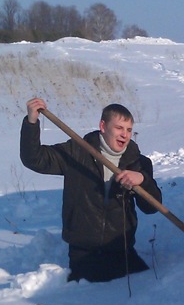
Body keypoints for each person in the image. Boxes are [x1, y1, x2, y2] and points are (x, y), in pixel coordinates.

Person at [20, 98, 163, 283]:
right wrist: (31, 122)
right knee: (91, 299)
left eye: (129, 130)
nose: (125, 135)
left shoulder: (139, 163)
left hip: (122, 250)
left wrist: (142, 180)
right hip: (83, 251)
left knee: (144, 293)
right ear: (103, 126)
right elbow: (34, 159)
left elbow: (152, 207)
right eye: (119, 128)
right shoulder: (77, 152)